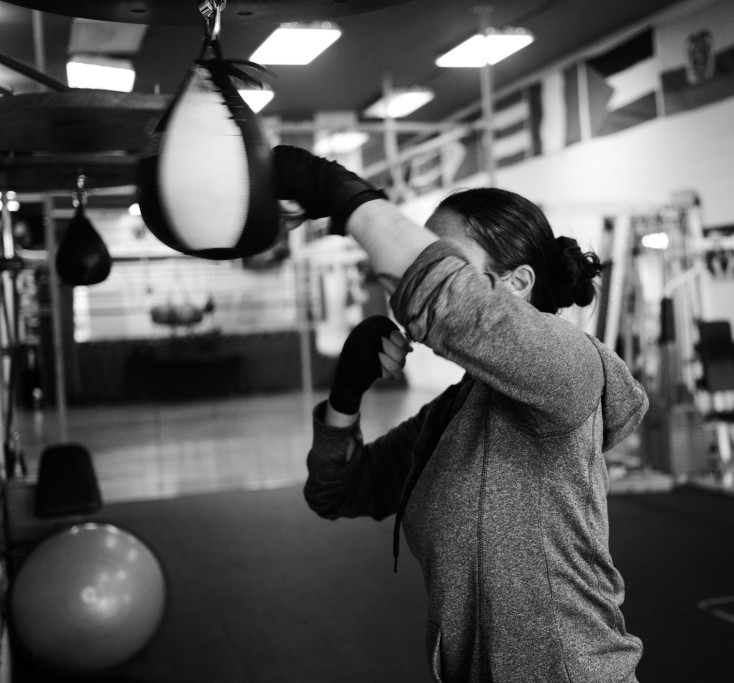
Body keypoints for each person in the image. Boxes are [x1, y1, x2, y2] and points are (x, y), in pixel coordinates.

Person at [273, 145, 648, 682]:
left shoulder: (573, 371)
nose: (411, 276)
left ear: (516, 285)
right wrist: (345, 393)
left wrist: (350, 200)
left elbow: (452, 301)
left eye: (445, 256)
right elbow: (337, 490)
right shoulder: (450, 415)